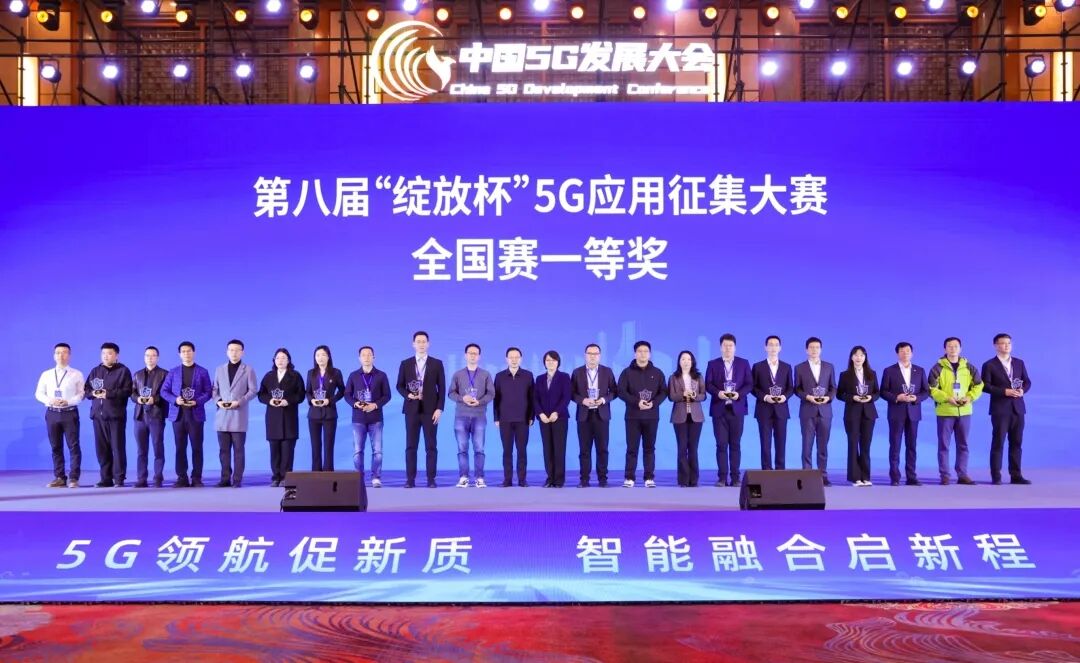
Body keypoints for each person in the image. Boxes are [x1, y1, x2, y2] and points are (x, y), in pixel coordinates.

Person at [929, 337, 984, 485]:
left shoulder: (969, 367)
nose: (953, 349)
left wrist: (970, 397)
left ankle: (962, 474)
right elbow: (932, 389)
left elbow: (979, 385)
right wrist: (947, 398)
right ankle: (945, 475)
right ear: (945, 349)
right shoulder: (937, 368)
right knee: (944, 445)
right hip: (945, 412)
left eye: (956, 346)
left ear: (960, 348)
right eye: (949, 346)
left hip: (964, 412)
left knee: (963, 444)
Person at [395, 331, 446, 488]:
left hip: (431, 410)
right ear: (413, 344)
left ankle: (431, 479)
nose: (421, 344)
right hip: (411, 410)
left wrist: (439, 409)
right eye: (418, 341)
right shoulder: (405, 363)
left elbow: (442, 388)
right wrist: (408, 395)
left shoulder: (437, 363)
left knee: (431, 446)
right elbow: (399, 385)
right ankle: (410, 479)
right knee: (411, 446)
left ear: (428, 344)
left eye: (424, 341)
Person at [160, 341, 212, 487]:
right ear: (179, 354)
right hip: (178, 415)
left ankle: (196, 478)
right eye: (183, 351)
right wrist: (175, 400)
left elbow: (208, 392)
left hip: (196, 414)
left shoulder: (202, 371)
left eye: (189, 351)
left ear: (193, 352)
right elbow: (164, 391)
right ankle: (181, 477)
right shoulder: (173, 372)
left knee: (197, 447)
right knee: (180, 447)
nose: (186, 354)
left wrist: (197, 401)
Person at [981, 333, 1032, 485]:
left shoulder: (1019, 363)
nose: (1006, 346)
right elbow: (985, 386)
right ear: (995, 345)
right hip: (1000, 409)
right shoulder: (989, 365)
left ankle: (1016, 475)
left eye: (1009, 343)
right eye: (1003, 343)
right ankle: (996, 476)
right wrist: (1004, 391)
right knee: (998, 443)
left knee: (1016, 443)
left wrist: (1022, 390)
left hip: (1018, 408)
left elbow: (1027, 382)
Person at [879, 342, 929, 486]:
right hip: (896, 412)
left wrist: (916, 398)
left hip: (914, 412)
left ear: (912, 353)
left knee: (912, 446)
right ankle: (895, 477)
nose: (905, 353)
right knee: (895, 445)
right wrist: (897, 397)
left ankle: (911, 476)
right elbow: (883, 391)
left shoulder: (919, 370)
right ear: (897, 353)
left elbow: (926, 391)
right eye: (902, 351)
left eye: (908, 351)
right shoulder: (889, 370)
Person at [705, 333, 753, 487]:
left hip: (737, 409)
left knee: (735, 444)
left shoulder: (743, 363)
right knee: (721, 445)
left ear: (735, 347)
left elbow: (749, 384)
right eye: (725, 345)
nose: (728, 348)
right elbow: (708, 384)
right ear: (720, 347)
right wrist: (718, 393)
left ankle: (736, 478)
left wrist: (739, 394)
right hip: (719, 409)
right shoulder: (713, 364)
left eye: (730, 345)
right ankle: (722, 478)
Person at [618, 340, 667, 488]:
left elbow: (663, 392)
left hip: (652, 416)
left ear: (650, 354)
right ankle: (629, 477)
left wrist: (654, 403)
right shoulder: (626, 372)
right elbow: (621, 392)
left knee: (649, 448)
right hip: (632, 416)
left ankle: (649, 478)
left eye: (646, 351)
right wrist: (636, 402)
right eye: (640, 351)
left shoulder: (657, 373)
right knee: (631, 448)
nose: (643, 354)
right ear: (635, 354)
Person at [35, 343, 84, 488]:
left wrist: (68, 401)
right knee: (55, 446)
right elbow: (38, 393)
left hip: (69, 412)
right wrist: (50, 400)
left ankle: (74, 478)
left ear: (69, 355)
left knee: (73, 446)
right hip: (52, 413)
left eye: (64, 352)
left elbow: (81, 394)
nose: (61, 355)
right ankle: (59, 477)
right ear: (54, 356)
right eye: (58, 352)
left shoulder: (76, 374)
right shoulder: (46, 374)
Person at [85, 342, 133, 488]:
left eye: (109, 353)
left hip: (115, 416)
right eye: (103, 353)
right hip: (97, 416)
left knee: (117, 448)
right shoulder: (95, 371)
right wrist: (93, 393)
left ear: (116, 355)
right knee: (102, 449)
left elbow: (127, 391)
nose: (106, 356)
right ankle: (105, 478)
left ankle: (119, 478)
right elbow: (86, 390)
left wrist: (109, 394)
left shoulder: (123, 371)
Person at [212, 339, 258, 488]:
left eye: (237, 350)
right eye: (231, 350)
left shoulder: (248, 370)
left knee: (239, 450)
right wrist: (218, 401)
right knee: (223, 451)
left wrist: (240, 401)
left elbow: (253, 390)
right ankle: (225, 478)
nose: (234, 352)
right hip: (222, 416)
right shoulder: (219, 369)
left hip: (238, 415)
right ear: (227, 352)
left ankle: (237, 479)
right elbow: (214, 389)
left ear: (242, 352)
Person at [344, 346, 392, 488]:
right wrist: (355, 404)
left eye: (369, 354)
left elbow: (387, 395)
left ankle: (376, 477)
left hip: (376, 418)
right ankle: (359, 477)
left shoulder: (381, 375)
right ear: (359, 358)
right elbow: (347, 394)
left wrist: (375, 405)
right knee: (358, 451)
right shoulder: (353, 375)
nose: (366, 357)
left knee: (377, 451)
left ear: (373, 357)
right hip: (358, 419)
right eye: (363, 355)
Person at [571, 344, 618, 487]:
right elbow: (572, 393)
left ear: (600, 356)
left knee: (602, 449)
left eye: (595, 354)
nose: (592, 356)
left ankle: (602, 479)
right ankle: (584, 479)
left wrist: (603, 400)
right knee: (584, 450)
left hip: (601, 415)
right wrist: (583, 400)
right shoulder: (577, 372)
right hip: (584, 415)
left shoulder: (607, 371)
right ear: (585, 355)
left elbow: (614, 391)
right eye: (590, 353)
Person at [447, 343, 494, 488]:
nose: (473, 356)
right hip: (461, 416)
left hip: (479, 415)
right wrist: (463, 398)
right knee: (462, 448)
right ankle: (464, 477)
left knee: (479, 448)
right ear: (465, 355)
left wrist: (480, 401)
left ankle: (479, 478)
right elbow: (451, 393)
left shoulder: (485, 374)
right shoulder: (458, 374)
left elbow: (491, 393)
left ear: (479, 356)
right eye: (470, 353)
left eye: (475, 353)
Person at [258, 348, 306, 487]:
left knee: (287, 449)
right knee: (274, 449)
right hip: (273, 417)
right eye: (278, 358)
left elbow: (301, 395)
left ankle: (286, 477)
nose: (280, 360)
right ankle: (276, 477)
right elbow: (261, 394)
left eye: (283, 358)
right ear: (274, 360)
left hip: (289, 417)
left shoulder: (295, 376)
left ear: (288, 360)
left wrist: (288, 401)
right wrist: (270, 400)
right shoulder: (269, 376)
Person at [794, 337, 837, 486]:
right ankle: (807, 475)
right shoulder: (799, 368)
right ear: (806, 350)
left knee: (823, 446)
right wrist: (808, 397)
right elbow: (797, 389)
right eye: (811, 347)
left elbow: (833, 387)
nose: (814, 350)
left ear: (821, 349)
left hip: (825, 411)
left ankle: (822, 475)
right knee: (807, 445)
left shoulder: (829, 367)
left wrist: (828, 398)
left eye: (817, 347)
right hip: (807, 410)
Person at [837, 346, 879, 486]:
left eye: (861, 355)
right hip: (852, 413)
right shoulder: (845, 375)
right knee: (853, 444)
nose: (859, 357)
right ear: (851, 357)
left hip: (869, 414)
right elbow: (839, 394)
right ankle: (855, 477)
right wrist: (852, 397)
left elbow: (877, 393)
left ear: (865, 358)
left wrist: (870, 397)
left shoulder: (872, 374)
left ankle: (866, 476)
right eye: (856, 355)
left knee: (866, 445)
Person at [751, 335, 793, 471]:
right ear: (765, 347)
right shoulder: (758, 366)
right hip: (764, 409)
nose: (773, 347)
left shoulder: (787, 367)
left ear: (780, 348)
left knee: (781, 443)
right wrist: (765, 397)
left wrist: (784, 397)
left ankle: (780, 471)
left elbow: (790, 388)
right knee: (765, 443)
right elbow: (753, 387)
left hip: (781, 409)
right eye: (770, 344)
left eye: (776, 345)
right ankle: (767, 471)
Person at [494, 347, 535, 487]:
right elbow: (496, 399)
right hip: (505, 419)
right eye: (511, 357)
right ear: (506, 359)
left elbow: (532, 397)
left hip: (523, 419)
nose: (514, 360)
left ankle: (522, 479)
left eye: (517, 357)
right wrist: (496, 417)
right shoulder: (499, 376)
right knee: (507, 451)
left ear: (521, 359)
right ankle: (507, 479)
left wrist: (531, 416)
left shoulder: (528, 375)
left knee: (522, 451)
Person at [131, 346, 168, 487]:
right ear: (144, 357)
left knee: (158, 447)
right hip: (140, 416)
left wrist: (155, 399)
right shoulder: (137, 375)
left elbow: (167, 393)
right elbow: (132, 393)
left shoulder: (164, 374)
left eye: (153, 355)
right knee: (141, 450)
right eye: (147, 355)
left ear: (157, 357)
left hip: (156, 415)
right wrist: (137, 399)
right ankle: (142, 478)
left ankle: (158, 477)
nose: (150, 358)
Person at [668, 350, 706, 487]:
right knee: (682, 448)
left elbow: (703, 395)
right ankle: (683, 479)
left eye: (688, 359)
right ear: (679, 362)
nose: (686, 362)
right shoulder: (673, 377)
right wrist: (683, 394)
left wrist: (695, 395)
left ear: (692, 361)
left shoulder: (698, 377)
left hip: (696, 417)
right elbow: (671, 396)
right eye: (683, 359)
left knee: (693, 448)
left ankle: (694, 480)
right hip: (679, 417)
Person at [535, 350, 572, 488]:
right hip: (544, 419)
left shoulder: (564, 377)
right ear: (544, 363)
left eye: (553, 360)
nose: (550, 362)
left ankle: (559, 479)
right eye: (548, 360)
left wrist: (556, 412)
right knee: (547, 449)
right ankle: (550, 478)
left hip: (560, 418)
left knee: (559, 448)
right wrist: (540, 414)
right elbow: (535, 399)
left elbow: (566, 397)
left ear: (558, 362)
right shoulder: (539, 379)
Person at [307, 345, 346, 472]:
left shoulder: (336, 372)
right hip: (314, 414)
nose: (320, 358)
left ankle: (328, 472)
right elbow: (307, 392)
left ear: (328, 357)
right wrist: (312, 400)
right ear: (314, 357)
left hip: (329, 413)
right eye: (317, 355)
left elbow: (342, 391)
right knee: (315, 445)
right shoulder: (311, 373)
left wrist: (330, 400)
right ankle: (316, 472)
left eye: (323, 355)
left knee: (329, 445)